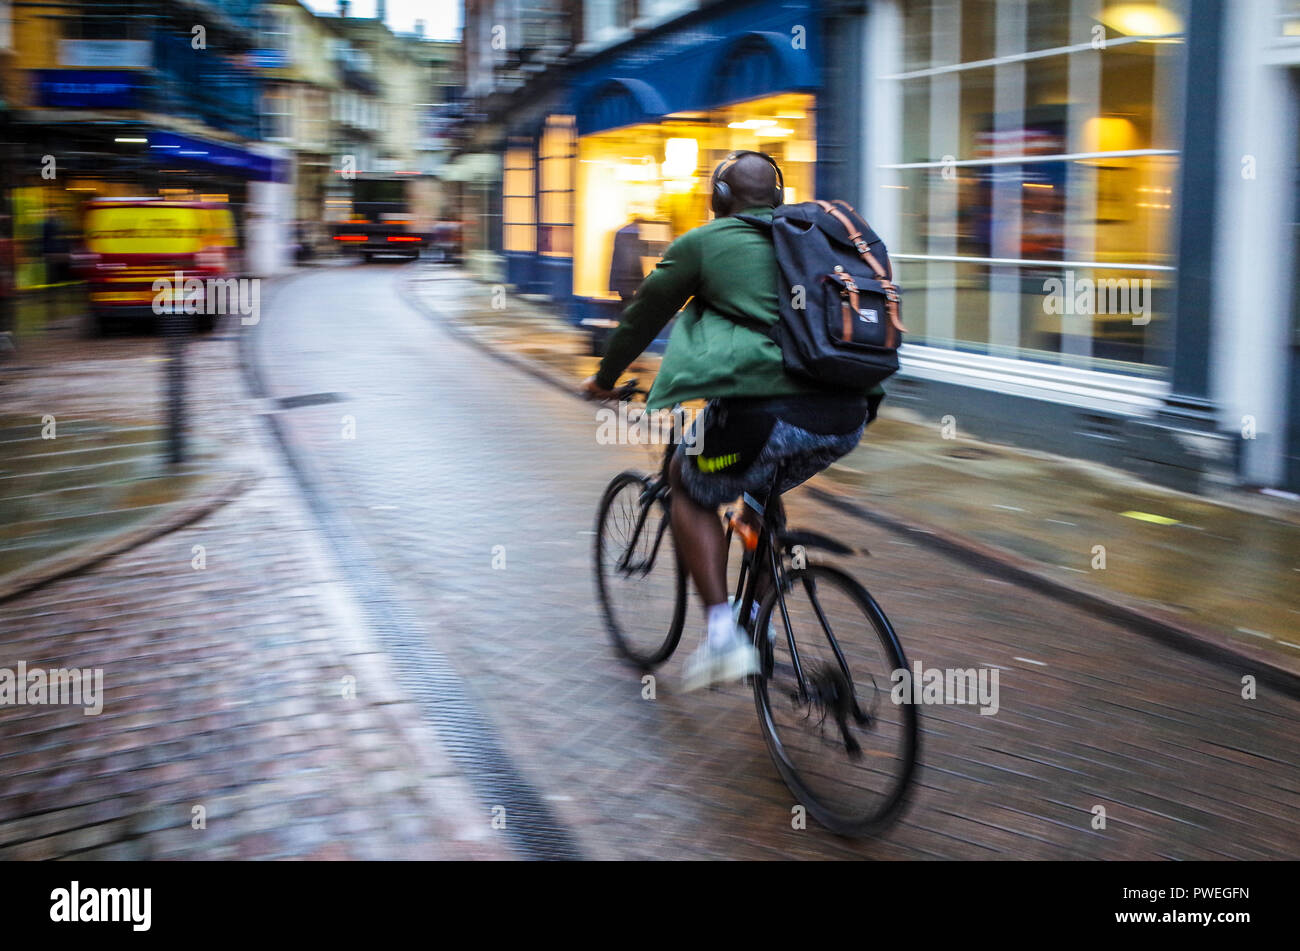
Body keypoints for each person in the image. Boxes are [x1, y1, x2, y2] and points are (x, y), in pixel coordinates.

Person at [582, 151, 884, 691]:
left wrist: (604, 378)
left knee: (686, 481)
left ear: (719, 200)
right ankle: (760, 624)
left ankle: (723, 639)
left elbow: (643, 315)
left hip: (768, 411)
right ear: (779, 196)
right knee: (758, 493)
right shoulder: (814, 238)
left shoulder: (703, 244)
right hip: (847, 415)